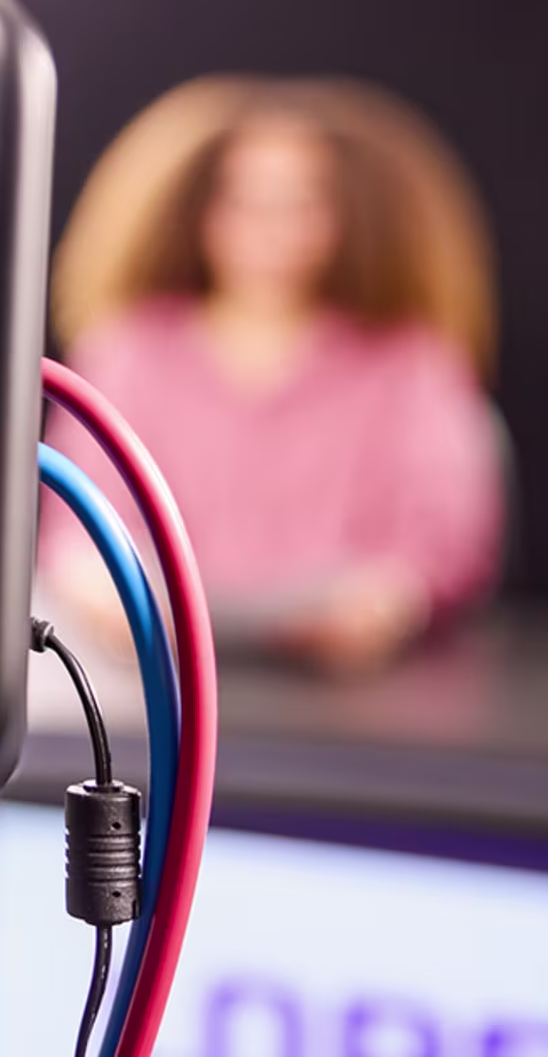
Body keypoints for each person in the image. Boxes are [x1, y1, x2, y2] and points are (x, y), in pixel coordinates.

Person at [41, 76, 504, 674]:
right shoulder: (129, 351)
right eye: (245, 202)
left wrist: (391, 600)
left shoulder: (411, 364)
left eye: (302, 205)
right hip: (155, 681)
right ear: (203, 212)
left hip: (353, 695)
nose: (271, 230)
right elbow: (75, 526)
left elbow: (446, 538)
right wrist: (99, 593)